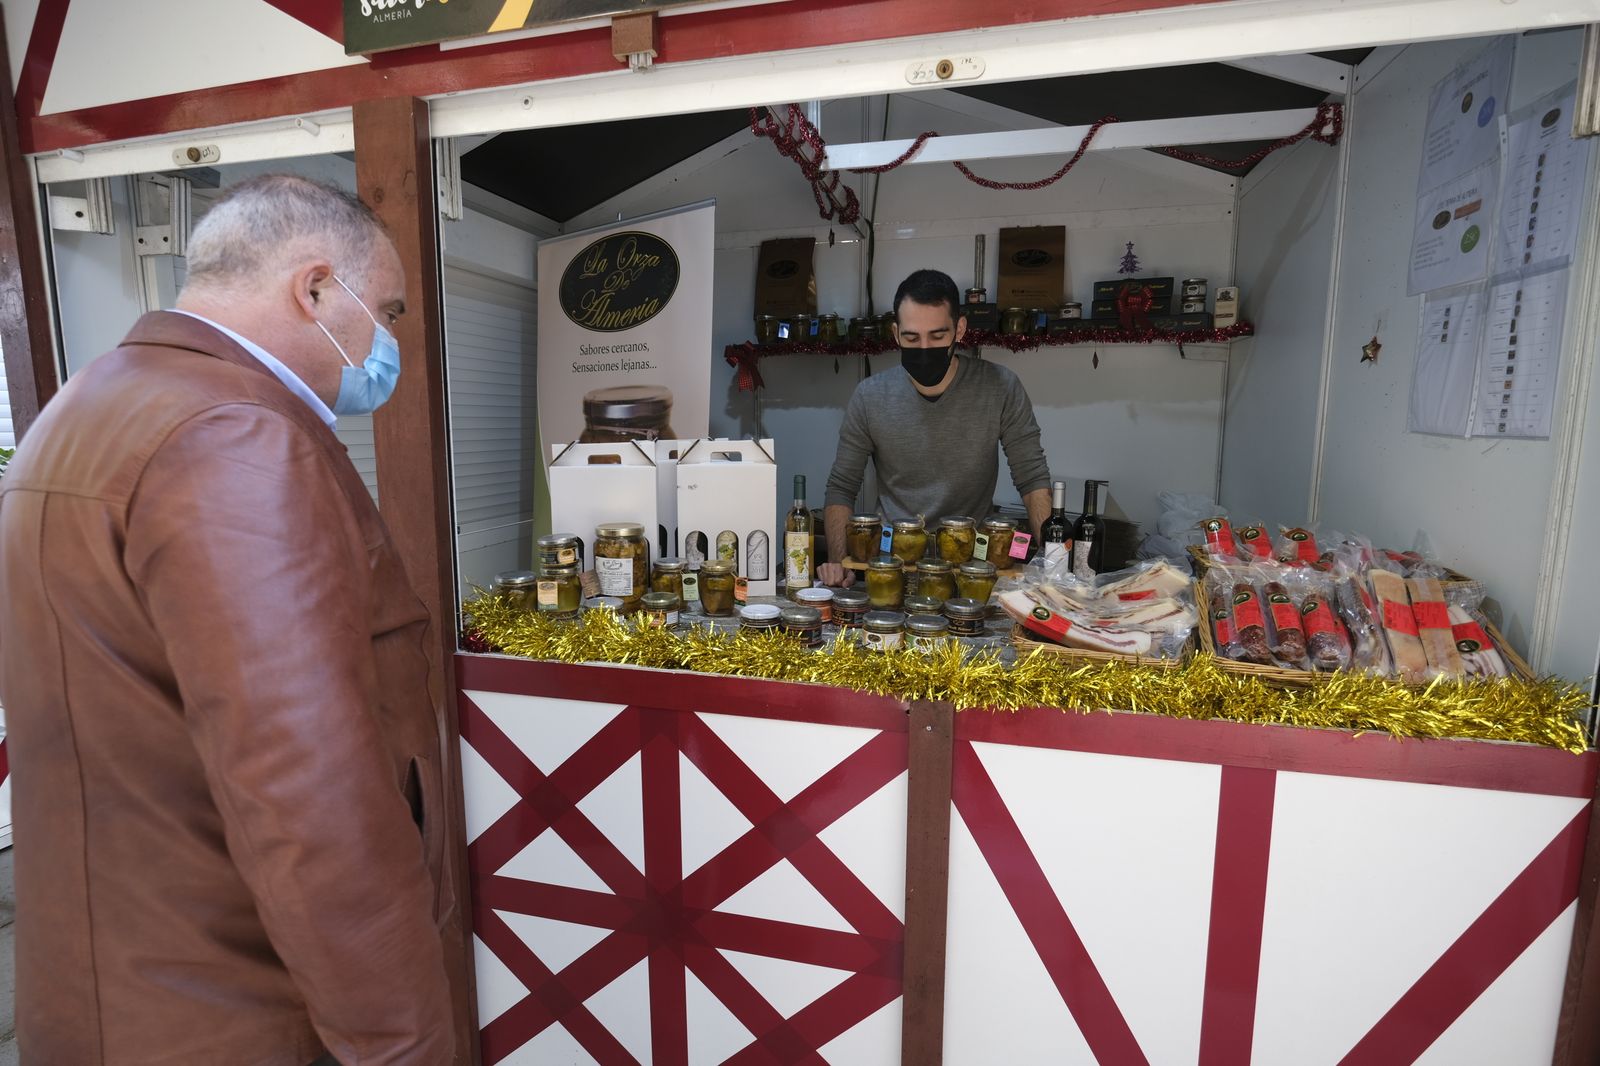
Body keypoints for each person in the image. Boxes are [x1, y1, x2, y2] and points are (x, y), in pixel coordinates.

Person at [0, 175, 454, 1065]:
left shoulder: (83, 405)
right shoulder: (237, 437)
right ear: (316, 289)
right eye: (389, 311)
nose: (388, 340)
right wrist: (406, 1043)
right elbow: (309, 798)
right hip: (235, 1005)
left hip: (111, 981)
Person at [818, 268, 1052, 586]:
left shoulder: (1000, 387)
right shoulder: (870, 396)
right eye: (912, 338)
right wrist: (837, 562)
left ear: (959, 329)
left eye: (937, 336)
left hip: (972, 570)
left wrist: (1055, 568)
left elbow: (1032, 478)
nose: (924, 348)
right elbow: (842, 487)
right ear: (896, 333)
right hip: (891, 567)